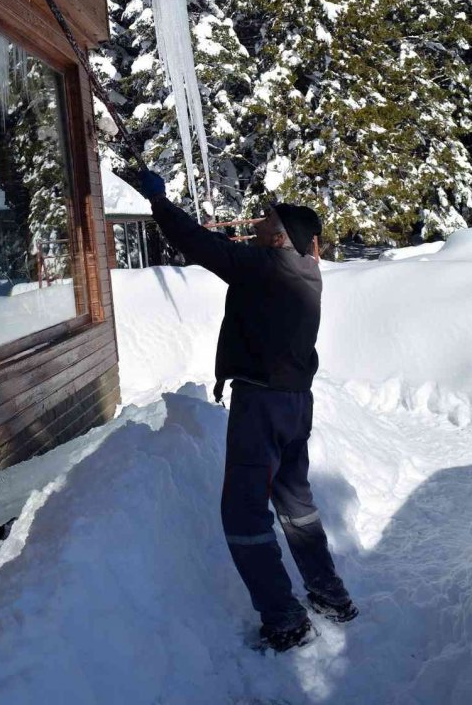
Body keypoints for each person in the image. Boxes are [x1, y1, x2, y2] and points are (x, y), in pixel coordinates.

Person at [137, 169, 357, 652]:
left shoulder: (267, 267)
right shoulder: (304, 269)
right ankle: (330, 594)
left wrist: (160, 202)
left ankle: (284, 618)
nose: (257, 220)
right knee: (296, 505)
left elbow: (199, 243)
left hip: (262, 404)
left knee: (243, 514)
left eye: (268, 218)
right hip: (296, 403)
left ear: (281, 236)